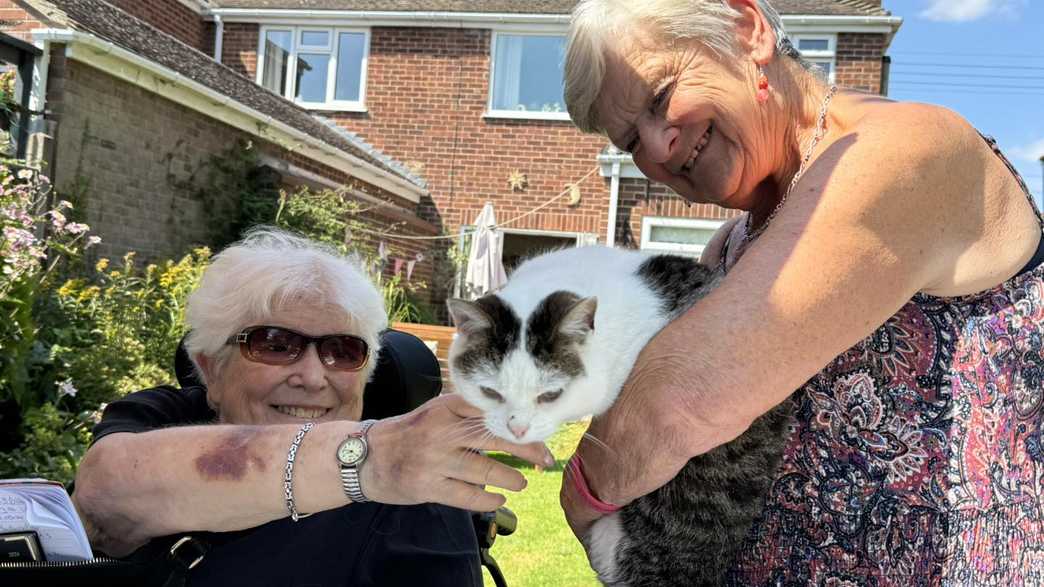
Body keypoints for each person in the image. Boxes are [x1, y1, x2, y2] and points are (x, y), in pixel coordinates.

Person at [559, 0, 1044, 584]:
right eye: (630, 140)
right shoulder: (731, 244)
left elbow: (679, 399)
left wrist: (582, 495)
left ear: (748, 30)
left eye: (661, 97)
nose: (658, 148)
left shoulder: (904, 151)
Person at [72, 228, 553, 586]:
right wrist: (373, 460)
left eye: (343, 351)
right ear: (210, 368)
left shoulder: (413, 497)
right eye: (276, 344)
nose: (312, 375)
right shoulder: (162, 420)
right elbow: (102, 498)